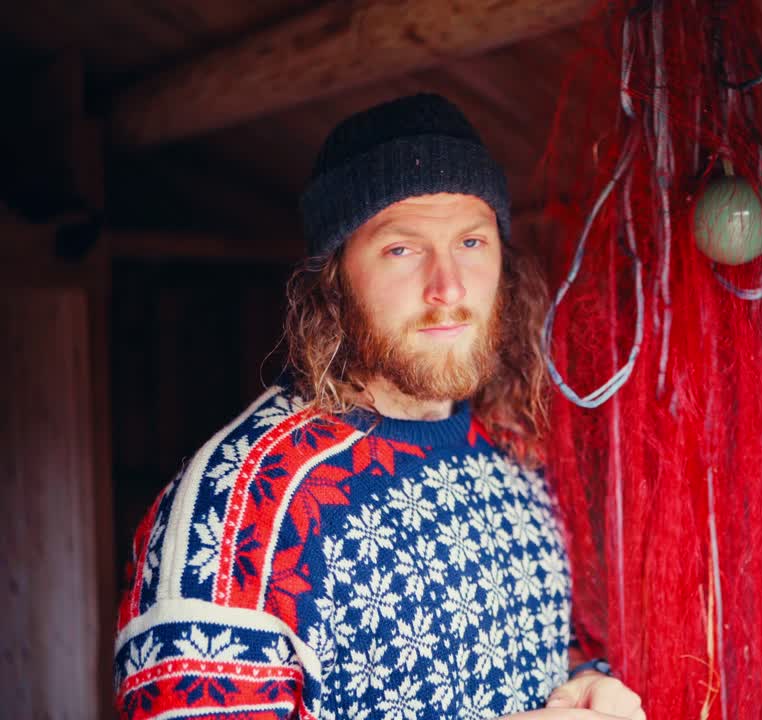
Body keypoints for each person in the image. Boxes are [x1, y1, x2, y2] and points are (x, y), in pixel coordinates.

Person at [113, 93, 644, 720]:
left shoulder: (519, 461)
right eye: (402, 248)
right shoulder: (234, 512)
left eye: (472, 242)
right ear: (332, 280)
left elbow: (549, 659)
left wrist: (591, 685)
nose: (448, 287)